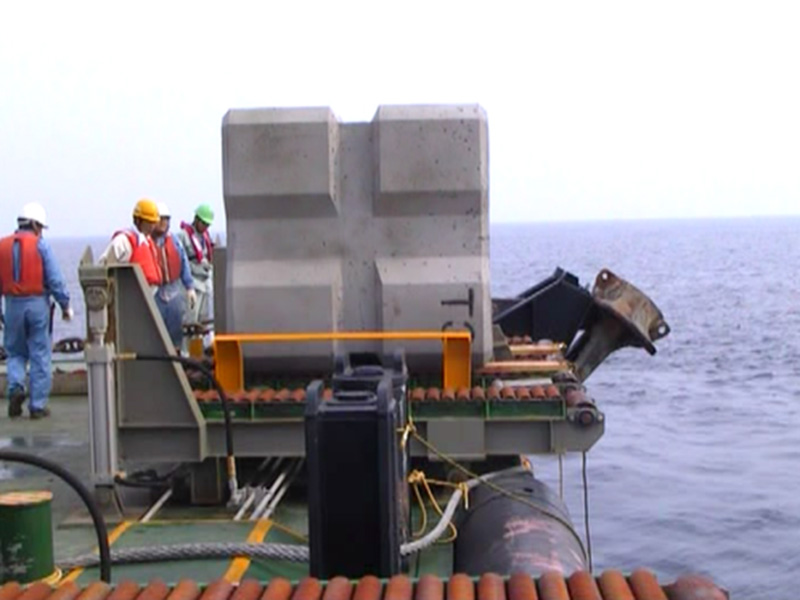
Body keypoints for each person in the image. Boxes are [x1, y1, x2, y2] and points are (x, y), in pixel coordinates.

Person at [0, 202, 73, 419]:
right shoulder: (41, 246)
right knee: (40, 354)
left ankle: (16, 387)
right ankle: (38, 405)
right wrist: (65, 305)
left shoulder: (2, 246)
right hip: (37, 305)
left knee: (15, 352)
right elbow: (55, 279)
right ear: (34, 225)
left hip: (12, 305)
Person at [152, 203, 196, 349]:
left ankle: (176, 355)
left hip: (174, 291)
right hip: (154, 292)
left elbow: (183, 262)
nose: (163, 223)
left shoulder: (175, 241)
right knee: (155, 331)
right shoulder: (146, 243)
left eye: (166, 219)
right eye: (160, 219)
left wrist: (190, 287)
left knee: (176, 330)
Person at [99, 199, 162, 291]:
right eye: (149, 222)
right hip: (130, 293)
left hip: (149, 294)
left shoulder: (147, 241)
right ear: (138, 220)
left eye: (154, 222)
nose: (152, 226)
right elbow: (105, 266)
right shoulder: (123, 241)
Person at [177, 204, 214, 324]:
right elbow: (179, 260)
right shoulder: (183, 236)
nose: (205, 227)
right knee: (190, 317)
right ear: (196, 219)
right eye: (204, 223)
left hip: (205, 282)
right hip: (192, 282)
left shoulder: (205, 237)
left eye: (208, 225)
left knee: (204, 318)